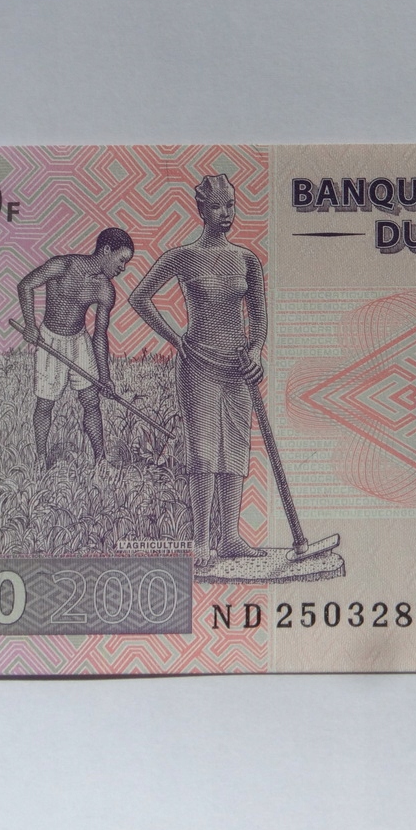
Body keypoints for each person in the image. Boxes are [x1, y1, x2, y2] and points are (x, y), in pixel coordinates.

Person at [129, 175, 267, 560]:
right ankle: (202, 542)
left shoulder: (247, 260)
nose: (226, 214)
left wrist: (256, 351)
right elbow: (140, 297)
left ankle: (231, 539)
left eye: (231, 205)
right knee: (204, 453)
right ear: (201, 210)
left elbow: (258, 317)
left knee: (234, 450)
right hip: (198, 364)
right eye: (217, 206)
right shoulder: (183, 256)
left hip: (238, 368)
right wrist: (176, 339)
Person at [16, 227, 133, 468]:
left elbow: (99, 335)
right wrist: (30, 325)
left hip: (80, 342)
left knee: (91, 400)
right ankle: (40, 460)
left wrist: (105, 378)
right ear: (106, 250)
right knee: (45, 403)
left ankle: (100, 460)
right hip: (49, 340)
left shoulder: (105, 290)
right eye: (121, 260)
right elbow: (25, 285)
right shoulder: (63, 266)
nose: (123, 268)